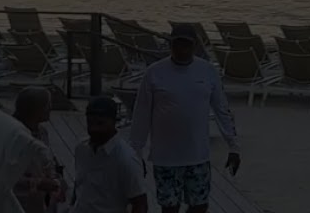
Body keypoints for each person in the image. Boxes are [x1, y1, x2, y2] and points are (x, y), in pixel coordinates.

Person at [130, 25, 239, 213]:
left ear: (195, 45)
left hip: (198, 156)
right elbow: (141, 113)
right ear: (170, 45)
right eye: (177, 44)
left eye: (186, 45)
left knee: (200, 206)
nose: (181, 49)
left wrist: (233, 146)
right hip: (165, 158)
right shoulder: (154, 72)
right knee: (169, 208)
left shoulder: (208, 71)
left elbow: (222, 109)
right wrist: (136, 152)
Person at [71, 96, 148, 213]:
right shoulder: (81, 149)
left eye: (100, 123)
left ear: (113, 121)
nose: (94, 128)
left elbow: (140, 203)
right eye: (90, 123)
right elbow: (79, 185)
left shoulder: (126, 159)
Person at [12, 86, 64, 213]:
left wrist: (56, 179)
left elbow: (47, 159)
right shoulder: (13, 135)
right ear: (35, 109)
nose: (50, 108)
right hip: (18, 202)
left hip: (42, 201)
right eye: (47, 105)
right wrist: (38, 183)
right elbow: (6, 175)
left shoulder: (42, 132)